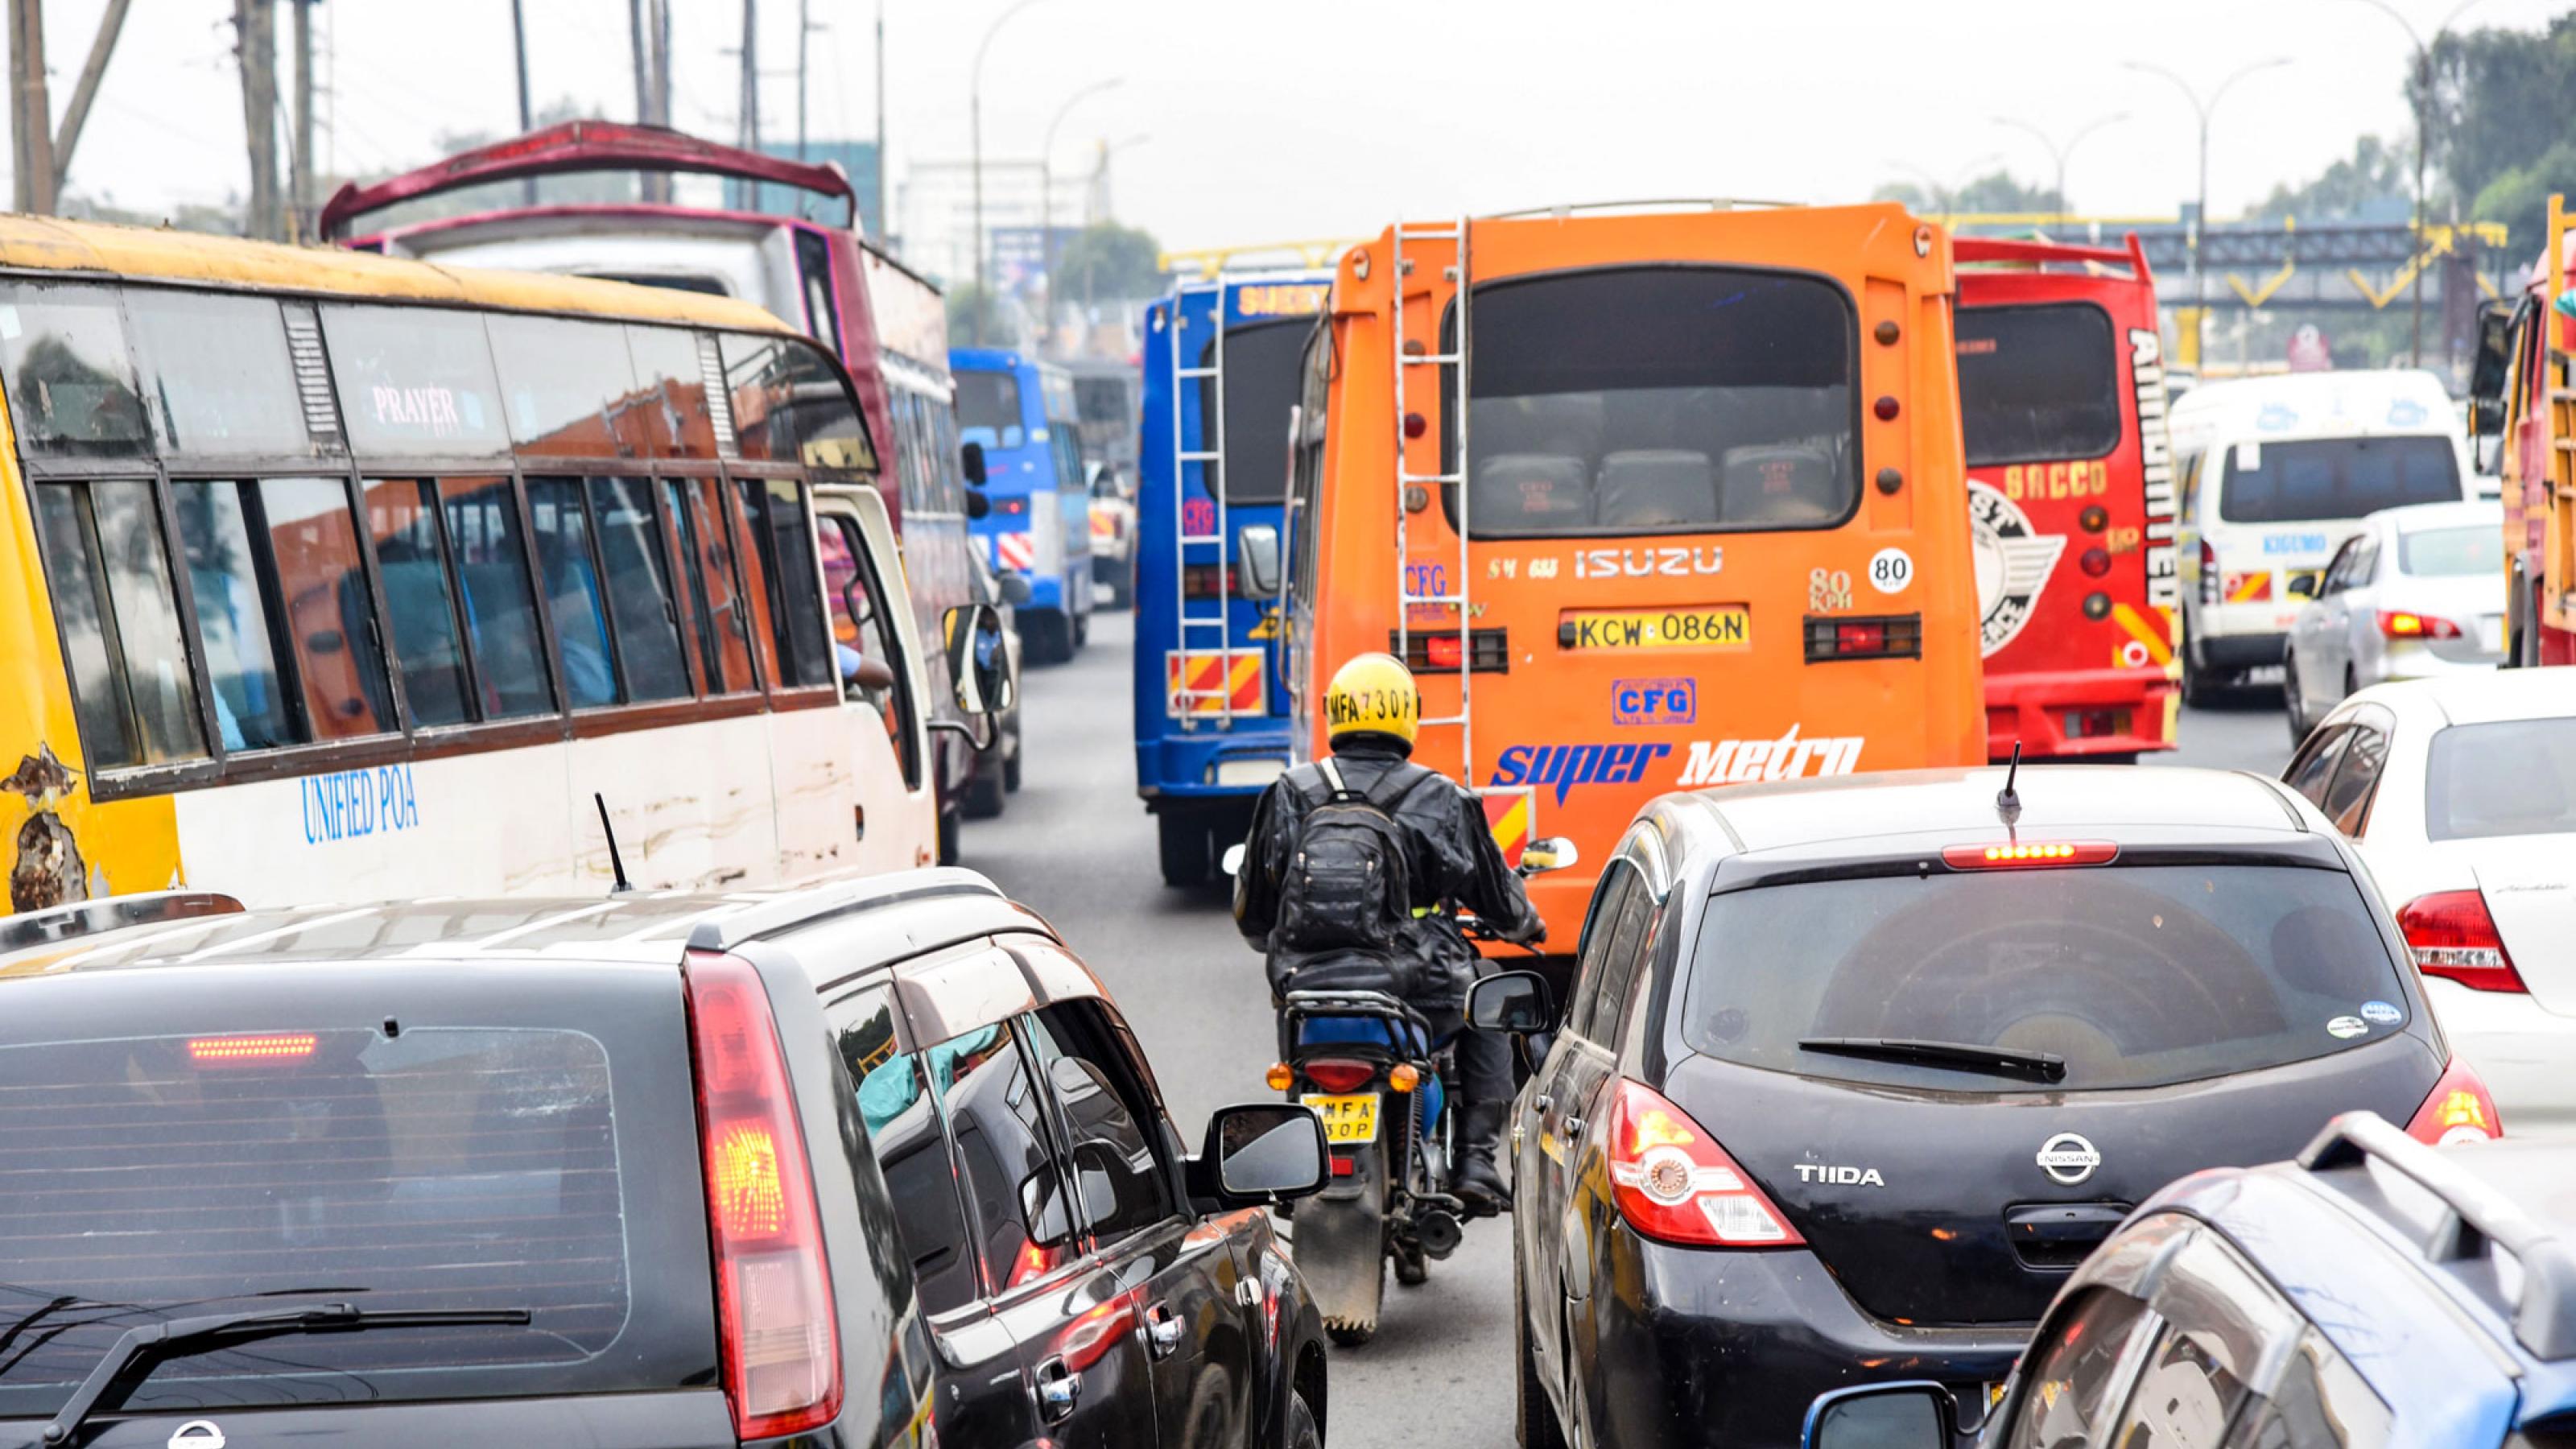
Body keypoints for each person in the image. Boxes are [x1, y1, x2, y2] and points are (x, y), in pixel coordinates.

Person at [1233, 651, 1540, 1217]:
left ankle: (1302, 1154)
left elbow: (1253, 910)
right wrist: (1527, 924)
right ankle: (1475, 1159)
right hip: (1420, 981)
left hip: (1307, 984)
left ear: (1334, 715)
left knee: (1300, 1048)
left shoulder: (1289, 791)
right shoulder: (1442, 796)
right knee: (1491, 988)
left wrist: (1281, 944)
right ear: (1410, 716)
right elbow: (1499, 900)